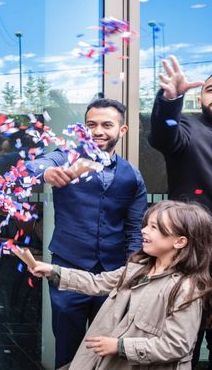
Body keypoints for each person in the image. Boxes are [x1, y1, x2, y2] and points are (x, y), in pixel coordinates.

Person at [27, 98, 147, 368]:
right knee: (68, 347)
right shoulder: (65, 157)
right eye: (91, 124)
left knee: (106, 352)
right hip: (68, 269)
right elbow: (30, 169)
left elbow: (135, 230)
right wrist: (46, 173)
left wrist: (132, 274)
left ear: (122, 130)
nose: (98, 131)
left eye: (107, 124)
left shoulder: (133, 176)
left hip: (113, 275)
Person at [30, 200, 212, 369]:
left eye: (154, 227)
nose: (144, 230)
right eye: (146, 224)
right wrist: (53, 271)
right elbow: (97, 282)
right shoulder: (137, 269)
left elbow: (176, 345)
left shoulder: (186, 288)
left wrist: (121, 346)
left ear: (180, 241)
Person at [148, 55, 212, 367]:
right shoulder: (186, 126)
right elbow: (162, 134)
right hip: (190, 256)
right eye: (211, 89)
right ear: (201, 97)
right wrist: (171, 99)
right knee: (181, 342)